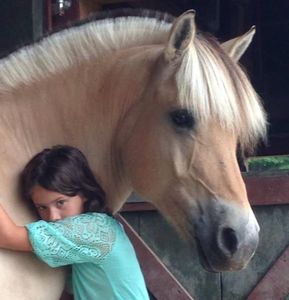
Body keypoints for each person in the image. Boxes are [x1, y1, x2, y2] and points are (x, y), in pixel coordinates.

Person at [0, 145, 149, 300]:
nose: (53, 217)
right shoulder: (102, 228)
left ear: (84, 193)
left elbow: (6, 236)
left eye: (60, 203)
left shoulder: (92, 229)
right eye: (42, 207)